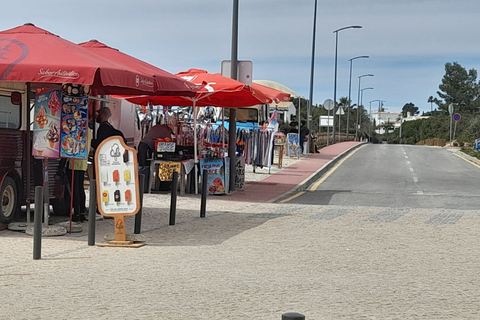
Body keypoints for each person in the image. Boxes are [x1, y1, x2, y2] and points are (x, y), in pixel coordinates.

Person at [65, 128, 92, 222]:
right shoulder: (89, 131)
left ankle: (76, 213)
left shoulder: (76, 129)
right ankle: (82, 213)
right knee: (80, 188)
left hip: (74, 162)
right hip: (83, 162)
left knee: (75, 188)